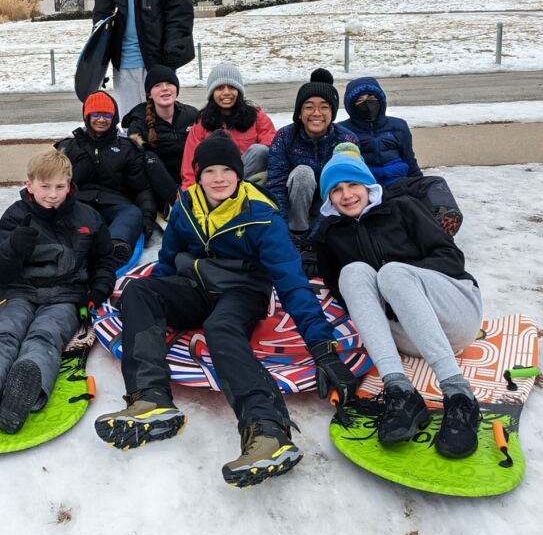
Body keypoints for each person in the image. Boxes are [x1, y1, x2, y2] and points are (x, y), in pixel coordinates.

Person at [94, 131, 358, 488]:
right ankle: (150, 399)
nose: (218, 179)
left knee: (220, 328)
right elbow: (168, 262)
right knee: (140, 290)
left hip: (242, 291)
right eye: (209, 171)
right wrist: (152, 303)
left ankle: (267, 431)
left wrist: (323, 349)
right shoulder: (187, 206)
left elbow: (293, 283)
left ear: (238, 174)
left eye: (226, 170)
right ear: (198, 175)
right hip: (196, 287)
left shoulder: (262, 216)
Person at [313, 143, 483, 458]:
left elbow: (451, 258)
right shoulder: (330, 234)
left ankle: (459, 396)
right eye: (336, 189)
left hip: (455, 312)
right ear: (328, 198)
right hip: (406, 336)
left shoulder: (403, 206)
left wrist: (400, 287)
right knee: (351, 274)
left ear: (367, 185)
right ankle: (400, 391)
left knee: (391, 274)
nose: (347, 194)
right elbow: (339, 286)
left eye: (353, 184)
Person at [0, 150, 117, 435]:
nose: (52, 195)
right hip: (19, 293)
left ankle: (25, 391)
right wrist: (12, 248)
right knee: (5, 333)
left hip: (64, 296)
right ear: (30, 185)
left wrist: (97, 291)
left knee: (45, 336)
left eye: (59, 187)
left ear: (69, 185)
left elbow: (105, 260)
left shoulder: (87, 216)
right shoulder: (15, 216)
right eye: (45, 186)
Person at [336, 76, 463, 236]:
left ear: (380, 99)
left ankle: (442, 221)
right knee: (401, 208)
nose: (367, 104)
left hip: (399, 183)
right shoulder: (343, 131)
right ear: (351, 106)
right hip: (370, 188)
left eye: (371, 98)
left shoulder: (398, 126)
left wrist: (419, 189)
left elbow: (409, 160)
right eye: (359, 101)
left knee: (435, 183)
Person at [266, 69, 359, 262]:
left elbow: (347, 189)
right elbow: (276, 185)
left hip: (331, 204)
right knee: (303, 173)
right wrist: (282, 231)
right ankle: (297, 233)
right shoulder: (285, 137)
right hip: (296, 202)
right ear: (299, 113)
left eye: (324, 107)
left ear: (332, 112)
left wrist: (317, 237)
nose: (316, 113)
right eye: (309, 107)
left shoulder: (347, 140)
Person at [56, 91, 157, 266]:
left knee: (133, 213)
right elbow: (53, 184)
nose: (101, 120)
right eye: (96, 114)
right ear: (87, 116)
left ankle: (115, 247)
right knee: (68, 215)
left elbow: (141, 188)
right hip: (80, 205)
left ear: (114, 117)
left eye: (107, 115)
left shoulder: (127, 148)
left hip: (116, 206)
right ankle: (77, 250)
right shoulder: (69, 148)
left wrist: (147, 219)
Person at [180, 62, 276, 189]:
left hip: (250, 185)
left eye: (231, 87)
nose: (226, 93)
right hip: (215, 186)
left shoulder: (258, 117)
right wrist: (188, 198)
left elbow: (275, 155)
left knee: (260, 151)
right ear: (212, 93)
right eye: (220, 88)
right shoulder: (201, 124)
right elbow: (189, 168)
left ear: (239, 91)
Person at [122, 64, 198, 214]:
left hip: (191, 181)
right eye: (157, 85)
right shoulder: (138, 121)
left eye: (169, 83)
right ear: (149, 94)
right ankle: (177, 203)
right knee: (147, 157)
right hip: (160, 188)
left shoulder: (192, 115)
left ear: (176, 89)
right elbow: (134, 164)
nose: (165, 88)